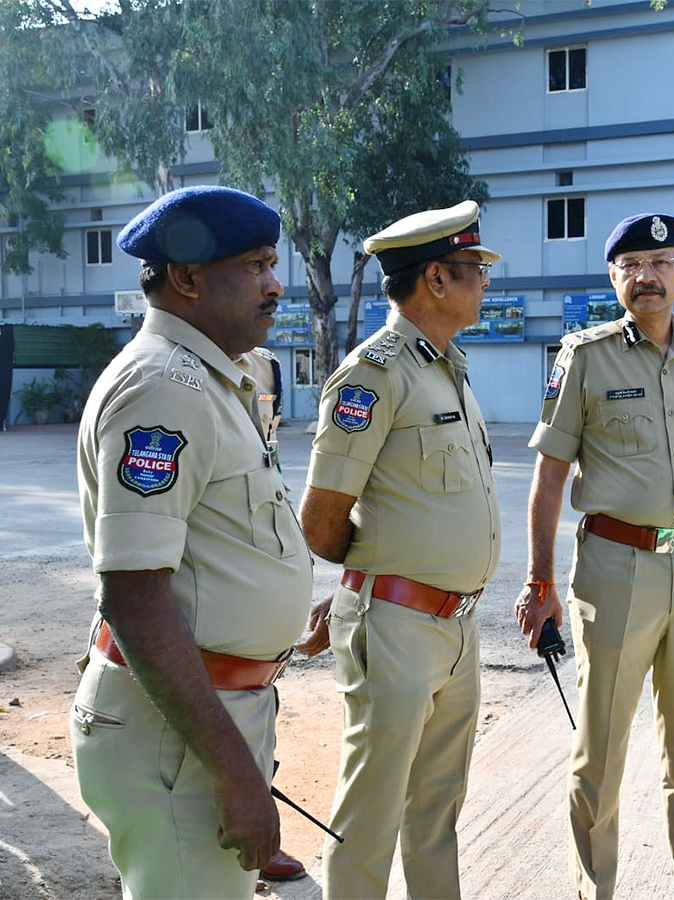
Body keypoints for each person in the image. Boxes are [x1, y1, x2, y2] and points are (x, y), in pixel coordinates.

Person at [516, 213, 674, 900]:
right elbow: (547, 479)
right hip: (615, 568)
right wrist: (539, 582)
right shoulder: (586, 357)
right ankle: (592, 890)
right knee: (598, 757)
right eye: (631, 265)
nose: (646, 276)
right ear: (613, 278)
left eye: (660, 261)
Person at [70, 185, 313, 898]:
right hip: (179, 739)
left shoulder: (216, 379)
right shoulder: (163, 389)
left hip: (205, 720)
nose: (274, 284)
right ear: (186, 278)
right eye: (256, 266)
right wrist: (235, 773)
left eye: (274, 264)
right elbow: (135, 598)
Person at [296, 200, 502, 900]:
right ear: (437, 279)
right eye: (474, 269)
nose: (484, 281)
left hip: (456, 627)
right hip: (397, 627)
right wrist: (378, 577)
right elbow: (321, 519)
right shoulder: (372, 374)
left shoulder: (447, 369)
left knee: (436, 812)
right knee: (371, 816)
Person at [232, 344, 309, 886]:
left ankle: (261, 835)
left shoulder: (267, 368)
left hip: (261, 549)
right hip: (209, 555)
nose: (269, 284)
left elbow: (269, 451)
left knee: (263, 699)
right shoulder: (174, 366)